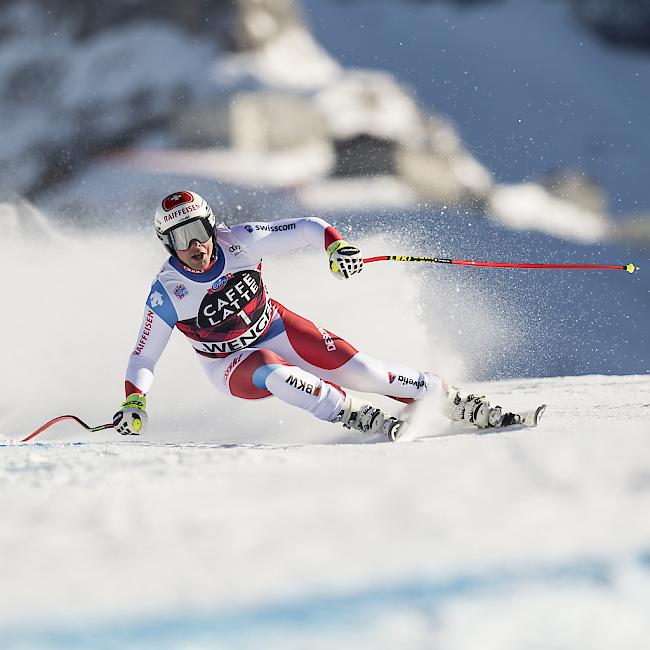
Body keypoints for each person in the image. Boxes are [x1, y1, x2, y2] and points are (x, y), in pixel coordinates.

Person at [112, 191, 515, 441]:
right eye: (181, 238)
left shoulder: (241, 241)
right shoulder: (167, 291)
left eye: (199, 229)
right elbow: (143, 357)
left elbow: (309, 227)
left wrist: (336, 248)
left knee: (366, 373)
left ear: (212, 224)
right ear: (168, 245)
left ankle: (447, 398)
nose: (195, 244)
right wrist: (135, 402)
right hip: (229, 364)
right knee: (272, 370)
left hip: (276, 326)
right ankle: (351, 413)